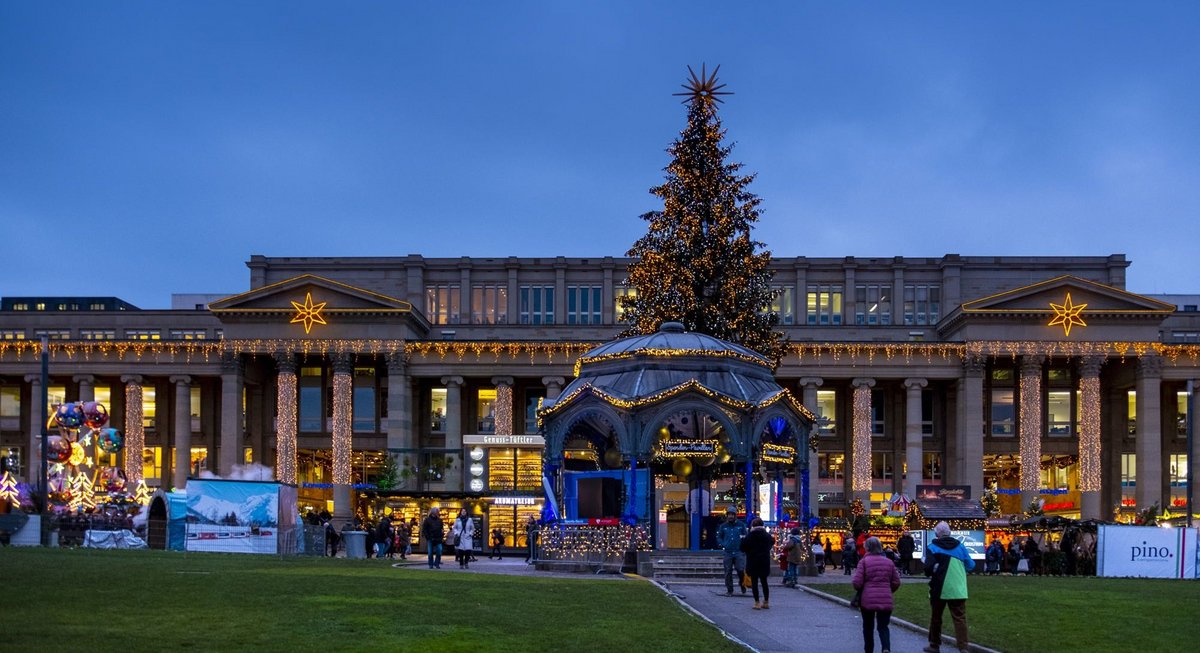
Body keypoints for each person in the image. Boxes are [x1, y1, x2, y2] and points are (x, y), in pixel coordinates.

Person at [923, 521, 974, 653]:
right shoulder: (960, 547)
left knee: (936, 618)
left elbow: (928, 569)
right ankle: (963, 648)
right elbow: (970, 565)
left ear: (936, 534)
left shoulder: (932, 547)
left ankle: (934, 645)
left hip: (938, 588)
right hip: (957, 588)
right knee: (960, 619)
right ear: (949, 533)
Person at [853, 536, 902, 653]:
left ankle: (869, 650)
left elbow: (857, 583)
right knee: (883, 627)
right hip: (885, 598)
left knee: (868, 627)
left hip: (867, 600)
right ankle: (886, 648)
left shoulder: (864, 562)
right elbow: (896, 582)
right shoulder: (889, 562)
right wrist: (888, 590)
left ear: (867, 548)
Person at [739, 517, 776, 610]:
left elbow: (742, 547)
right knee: (764, 582)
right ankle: (766, 602)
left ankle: (757, 602)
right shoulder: (767, 536)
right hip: (764, 561)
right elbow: (772, 541)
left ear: (753, 526)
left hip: (753, 561)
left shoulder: (750, 536)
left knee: (754, 582)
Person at [716, 508, 749, 596]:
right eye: (729, 514)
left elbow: (745, 536)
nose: (730, 516)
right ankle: (730, 590)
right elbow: (719, 537)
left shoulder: (741, 525)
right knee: (728, 571)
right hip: (728, 552)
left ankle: (742, 585)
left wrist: (743, 546)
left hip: (739, 552)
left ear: (735, 515)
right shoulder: (723, 526)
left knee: (740, 569)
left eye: (732, 514)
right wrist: (723, 544)